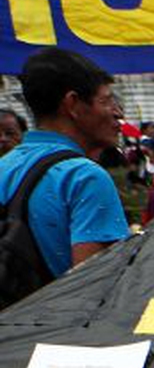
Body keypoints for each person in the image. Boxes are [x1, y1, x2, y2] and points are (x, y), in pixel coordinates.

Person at [0, 47, 130, 288]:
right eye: (107, 101)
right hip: (57, 323)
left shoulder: (4, 165)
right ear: (72, 104)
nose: (118, 114)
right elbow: (95, 288)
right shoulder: (83, 177)